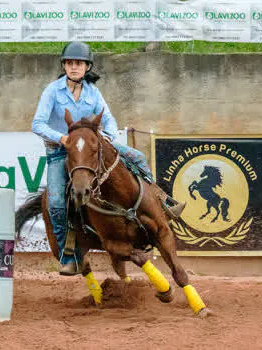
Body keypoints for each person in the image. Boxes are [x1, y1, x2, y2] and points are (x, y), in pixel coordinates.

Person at [31, 41, 184, 276]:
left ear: (87, 67)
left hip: (95, 148)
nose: (74, 67)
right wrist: (62, 139)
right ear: (64, 66)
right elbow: (38, 124)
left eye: (79, 63)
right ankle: (68, 256)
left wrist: (108, 137)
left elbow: (109, 119)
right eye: (70, 63)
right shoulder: (52, 90)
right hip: (61, 152)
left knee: (138, 157)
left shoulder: (93, 92)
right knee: (56, 203)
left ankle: (161, 202)